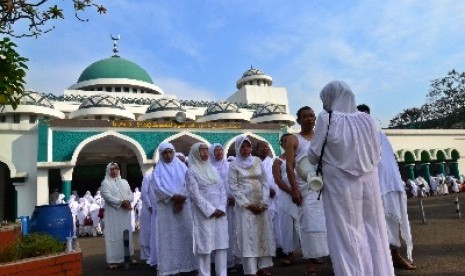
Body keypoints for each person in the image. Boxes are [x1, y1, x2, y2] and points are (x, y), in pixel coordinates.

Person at [307, 80, 394, 276]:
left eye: (325, 100)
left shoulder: (326, 118)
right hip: (369, 179)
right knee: (374, 229)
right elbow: (376, 151)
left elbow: (314, 154)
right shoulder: (367, 119)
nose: (324, 104)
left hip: (339, 184)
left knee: (346, 232)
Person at [357, 103, 415, 270]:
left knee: (390, 222)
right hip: (366, 188)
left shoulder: (380, 135)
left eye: (366, 116)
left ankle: (395, 257)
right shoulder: (353, 139)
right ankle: (374, 261)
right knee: (369, 226)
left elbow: (389, 164)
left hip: (387, 186)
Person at [285, 106, 329, 276]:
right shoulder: (293, 140)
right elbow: (289, 165)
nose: (310, 119)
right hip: (305, 187)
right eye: (305, 116)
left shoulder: (321, 138)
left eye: (312, 116)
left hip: (324, 185)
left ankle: (324, 255)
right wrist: (294, 190)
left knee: (326, 222)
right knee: (309, 223)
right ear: (298, 120)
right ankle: (310, 265)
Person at [228, 135, 275, 276]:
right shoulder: (234, 164)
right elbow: (233, 187)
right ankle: (250, 270)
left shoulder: (257, 161)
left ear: (251, 148)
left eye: (247, 146)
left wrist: (264, 201)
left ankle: (262, 266)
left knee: (262, 235)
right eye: (242, 146)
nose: (245, 149)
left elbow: (265, 181)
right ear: (237, 148)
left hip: (261, 204)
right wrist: (248, 205)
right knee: (248, 236)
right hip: (245, 207)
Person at [152, 142, 197, 275]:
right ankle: (169, 267)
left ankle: (188, 265)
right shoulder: (158, 170)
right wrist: (173, 197)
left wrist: (181, 199)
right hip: (167, 210)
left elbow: (189, 183)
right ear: (161, 154)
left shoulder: (182, 166)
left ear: (174, 152)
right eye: (165, 153)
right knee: (168, 237)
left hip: (183, 206)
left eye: (170, 152)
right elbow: (157, 188)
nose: (168, 155)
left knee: (186, 235)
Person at [186, 142, 229, 276]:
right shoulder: (191, 171)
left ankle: (222, 273)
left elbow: (222, 190)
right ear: (195, 153)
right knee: (205, 246)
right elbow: (195, 195)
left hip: (220, 213)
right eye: (201, 150)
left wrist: (221, 207)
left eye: (206, 150)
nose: (205, 153)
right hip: (204, 214)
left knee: (221, 245)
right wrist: (211, 210)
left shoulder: (213, 169)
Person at [99, 162, 136, 270]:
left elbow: (131, 194)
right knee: (114, 235)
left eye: (116, 169)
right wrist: (121, 202)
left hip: (125, 214)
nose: (115, 171)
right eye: (112, 169)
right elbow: (107, 197)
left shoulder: (124, 182)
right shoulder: (105, 183)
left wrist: (128, 201)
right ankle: (113, 260)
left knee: (126, 234)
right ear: (108, 171)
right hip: (113, 215)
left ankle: (128, 257)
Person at [209, 143, 240, 270]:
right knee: (216, 233)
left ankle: (232, 258)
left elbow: (236, 182)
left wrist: (235, 198)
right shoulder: (209, 168)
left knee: (232, 230)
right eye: (215, 151)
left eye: (220, 150)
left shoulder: (229, 166)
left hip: (232, 205)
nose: (219, 153)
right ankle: (215, 261)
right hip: (216, 206)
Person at [272, 133, 300, 266]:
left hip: (302, 194)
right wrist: (292, 191)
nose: (287, 143)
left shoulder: (301, 157)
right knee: (287, 225)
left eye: (289, 140)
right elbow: (278, 180)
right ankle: (289, 253)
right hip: (286, 195)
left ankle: (311, 254)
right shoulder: (278, 161)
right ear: (282, 145)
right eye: (284, 141)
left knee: (304, 223)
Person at [255, 141, 281, 255]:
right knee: (263, 224)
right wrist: (266, 190)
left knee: (276, 224)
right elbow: (254, 180)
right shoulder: (254, 163)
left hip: (274, 197)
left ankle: (279, 247)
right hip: (260, 197)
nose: (265, 149)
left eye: (267, 147)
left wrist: (274, 190)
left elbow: (278, 178)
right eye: (262, 147)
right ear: (257, 149)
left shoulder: (273, 162)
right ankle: (266, 248)